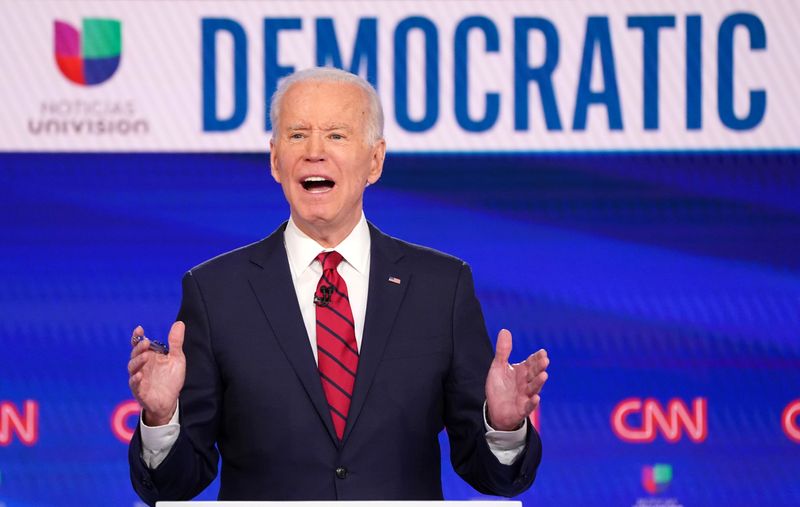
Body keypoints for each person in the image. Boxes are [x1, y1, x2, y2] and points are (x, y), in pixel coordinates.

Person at [127, 67, 549, 505]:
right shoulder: (215, 292)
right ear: (274, 160)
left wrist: (502, 427)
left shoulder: (440, 288)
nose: (314, 152)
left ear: (375, 160)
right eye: (297, 135)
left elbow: (494, 478)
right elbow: (175, 484)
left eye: (336, 135)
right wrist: (160, 418)